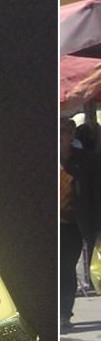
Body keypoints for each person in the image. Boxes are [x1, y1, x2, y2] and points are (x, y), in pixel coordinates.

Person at [62, 120, 99, 328]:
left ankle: (63, 314)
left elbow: (96, 195)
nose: (58, 136)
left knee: (65, 268)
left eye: (63, 132)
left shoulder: (87, 161)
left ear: (71, 135)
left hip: (72, 224)